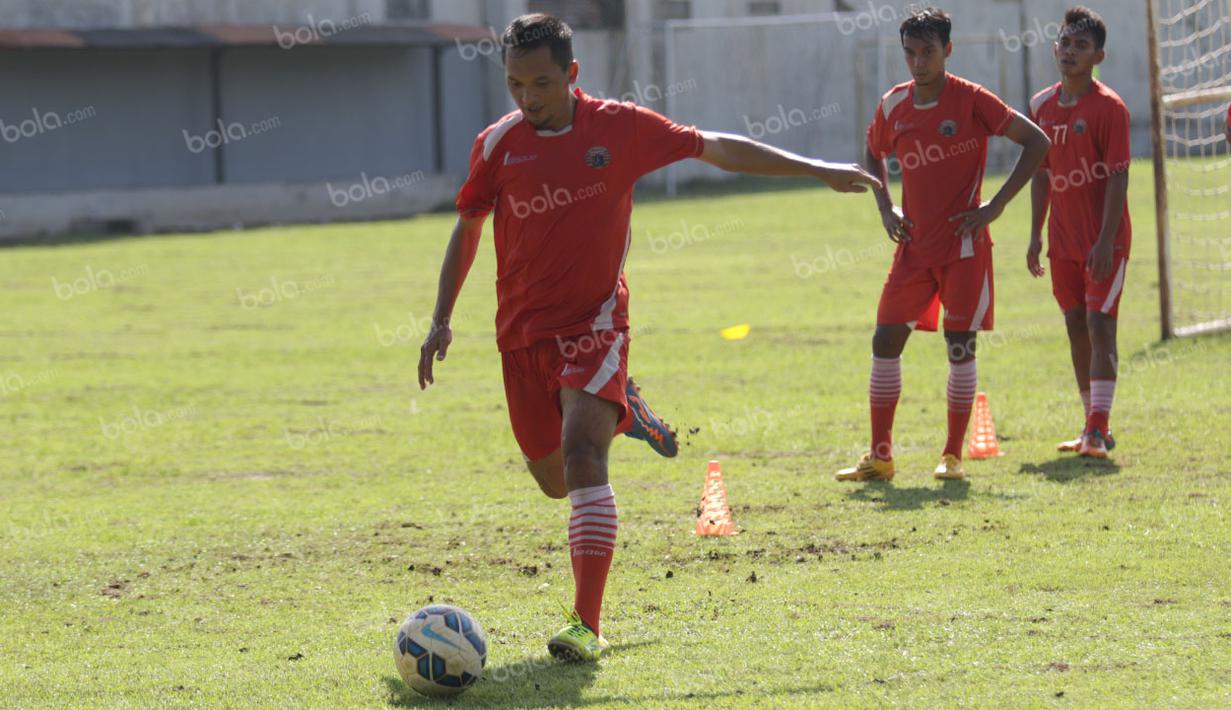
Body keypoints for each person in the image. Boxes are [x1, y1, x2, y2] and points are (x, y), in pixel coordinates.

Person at [419, 13, 881, 662]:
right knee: (553, 482)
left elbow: (715, 147)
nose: (528, 98)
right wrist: (440, 318)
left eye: (542, 83)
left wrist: (813, 167)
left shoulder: (621, 128)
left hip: (595, 325)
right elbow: (467, 228)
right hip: (521, 339)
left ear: (572, 75)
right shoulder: (497, 144)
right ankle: (622, 410)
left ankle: (585, 624)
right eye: (515, 84)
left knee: (582, 458)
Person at [835, 6, 1050, 483]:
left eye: (927, 52)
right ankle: (881, 457)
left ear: (947, 50)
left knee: (959, 347)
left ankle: (952, 455)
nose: (918, 62)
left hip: (964, 248)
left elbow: (1036, 142)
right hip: (912, 247)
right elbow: (873, 149)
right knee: (885, 340)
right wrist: (884, 203)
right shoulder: (894, 104)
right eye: (910, 53)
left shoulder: (972, 100)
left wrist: (994, 206)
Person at [1027, 6, 1131, 458]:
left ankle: (1099, 428)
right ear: (1055, 47)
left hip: (1104, 242)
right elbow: (1041, 174)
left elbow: (1118, 175)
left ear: (1098, 56)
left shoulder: (1110, 108)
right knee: (1074, 326)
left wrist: (1106, 240)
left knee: (1100, 324)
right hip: (1062, 242)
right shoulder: (1039, 106)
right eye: (1065, 43)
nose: (1070, 52)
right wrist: (1035, 234)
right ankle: (1090, 425)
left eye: (1081, 46)